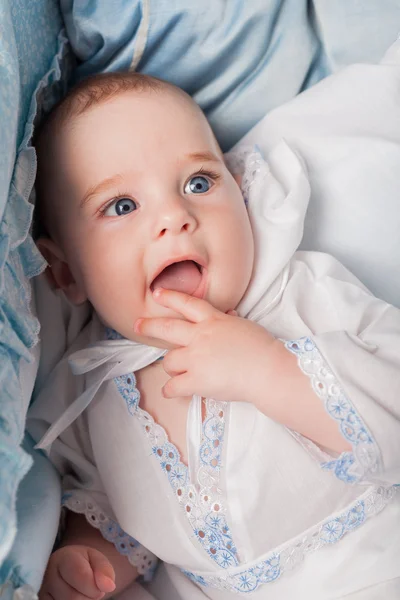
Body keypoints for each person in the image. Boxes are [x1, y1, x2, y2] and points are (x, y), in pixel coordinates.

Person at [28, 72, 400, 600]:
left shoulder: (296, 298)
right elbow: (119, 507)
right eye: (122, 206)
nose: (175, 217)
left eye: (198, 183)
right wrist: (92, 557)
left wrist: (270, 369)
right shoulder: (92, 390)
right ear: (66, 274)